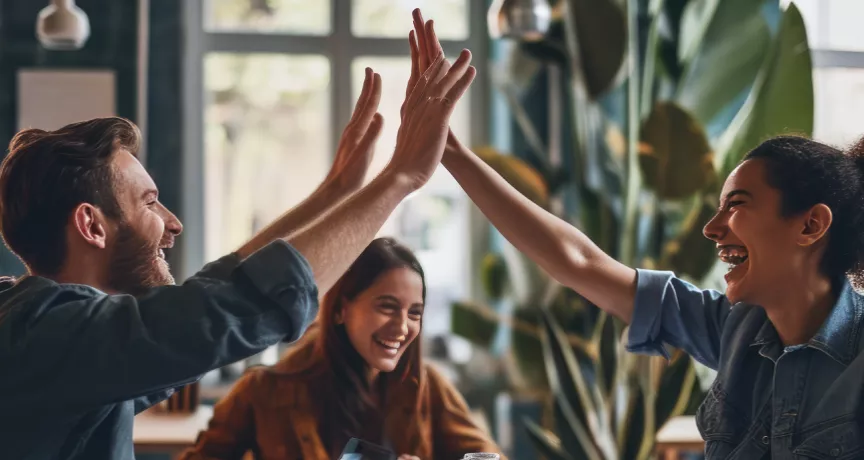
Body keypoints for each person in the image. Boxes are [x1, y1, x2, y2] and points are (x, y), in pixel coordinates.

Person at [411, 9, 864, 458]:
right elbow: (578, 262)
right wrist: (451, 152)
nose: (711, 228)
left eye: (737, 206)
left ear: (810, 225)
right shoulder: (733, 329)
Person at [0, 42, 477, 459]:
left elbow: (210, 296)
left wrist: (335, 193)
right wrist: (400, 178)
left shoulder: (47, 332)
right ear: (91, 225)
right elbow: (227, 309)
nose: (173, 223)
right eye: (149, 202)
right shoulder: (48, 335)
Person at [179, 238, 505, 460]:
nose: (403, 326)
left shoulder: (426, 386)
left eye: (414, 313)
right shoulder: (264, 390)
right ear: (340, 309)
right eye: (387, 307)